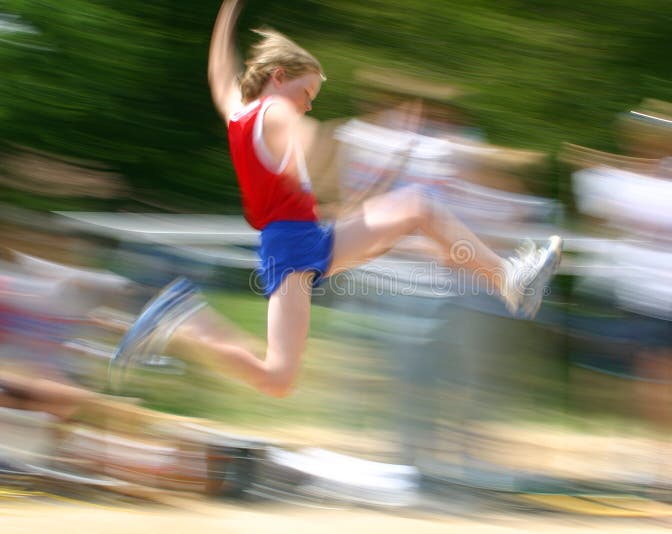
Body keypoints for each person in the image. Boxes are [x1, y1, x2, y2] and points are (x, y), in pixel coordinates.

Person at [109, 0, 562, 398]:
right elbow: (305, 139)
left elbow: (220, 74)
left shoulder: (238, 111)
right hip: (295, 246)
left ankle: (508, 279)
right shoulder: (276, 110)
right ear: (279, 77)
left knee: (416, 211)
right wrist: (342, 147)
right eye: (307, 93)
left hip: (296, 241)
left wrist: (227, 11)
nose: (307, 103)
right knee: (279, 376)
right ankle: (184, 320)